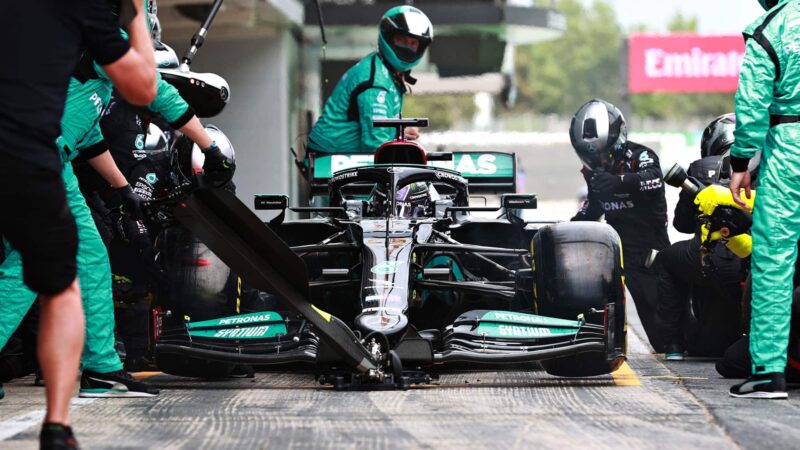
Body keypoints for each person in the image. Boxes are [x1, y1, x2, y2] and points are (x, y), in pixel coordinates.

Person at [0, 0, 155, 447]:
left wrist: (122, 188)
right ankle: (58, 425)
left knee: (85, 256)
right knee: (56, 279)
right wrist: (137, 18)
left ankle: (103, 367)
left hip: (43, 156)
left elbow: (87, 133)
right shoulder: (82, 11)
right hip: (32, 156)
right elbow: (146, 87)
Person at [728, 0, 800, 399]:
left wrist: (741, 160)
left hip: (789, 150)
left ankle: (769, 373)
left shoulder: (769, 29)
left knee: (774, 260)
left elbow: (752, 105)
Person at [569, 99, 670, 352]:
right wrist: (569, 229)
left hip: (651, 251)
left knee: (662, 335)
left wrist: (620, 182)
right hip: (617, 252)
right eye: (593, 155)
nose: (600, 161)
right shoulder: (594, 172)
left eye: (605, 154)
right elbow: (593, 209)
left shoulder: (642, 155)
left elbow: (655, 180)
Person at [656, 114, 746, 361]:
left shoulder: (699, 167)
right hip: (753, 258)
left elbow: (682, 224)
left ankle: (673, 344)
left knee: (665, 260)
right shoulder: (765, 164)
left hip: (708, 258)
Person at [306, 5, 433, 154]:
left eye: (413, 43)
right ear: (389, 37)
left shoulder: (383, 69)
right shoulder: (376, 83)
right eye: (402, 40)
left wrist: (399, 132)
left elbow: (374, 127)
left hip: (339, 156)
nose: (408, 47)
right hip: (328, 160)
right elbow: (375, 145)